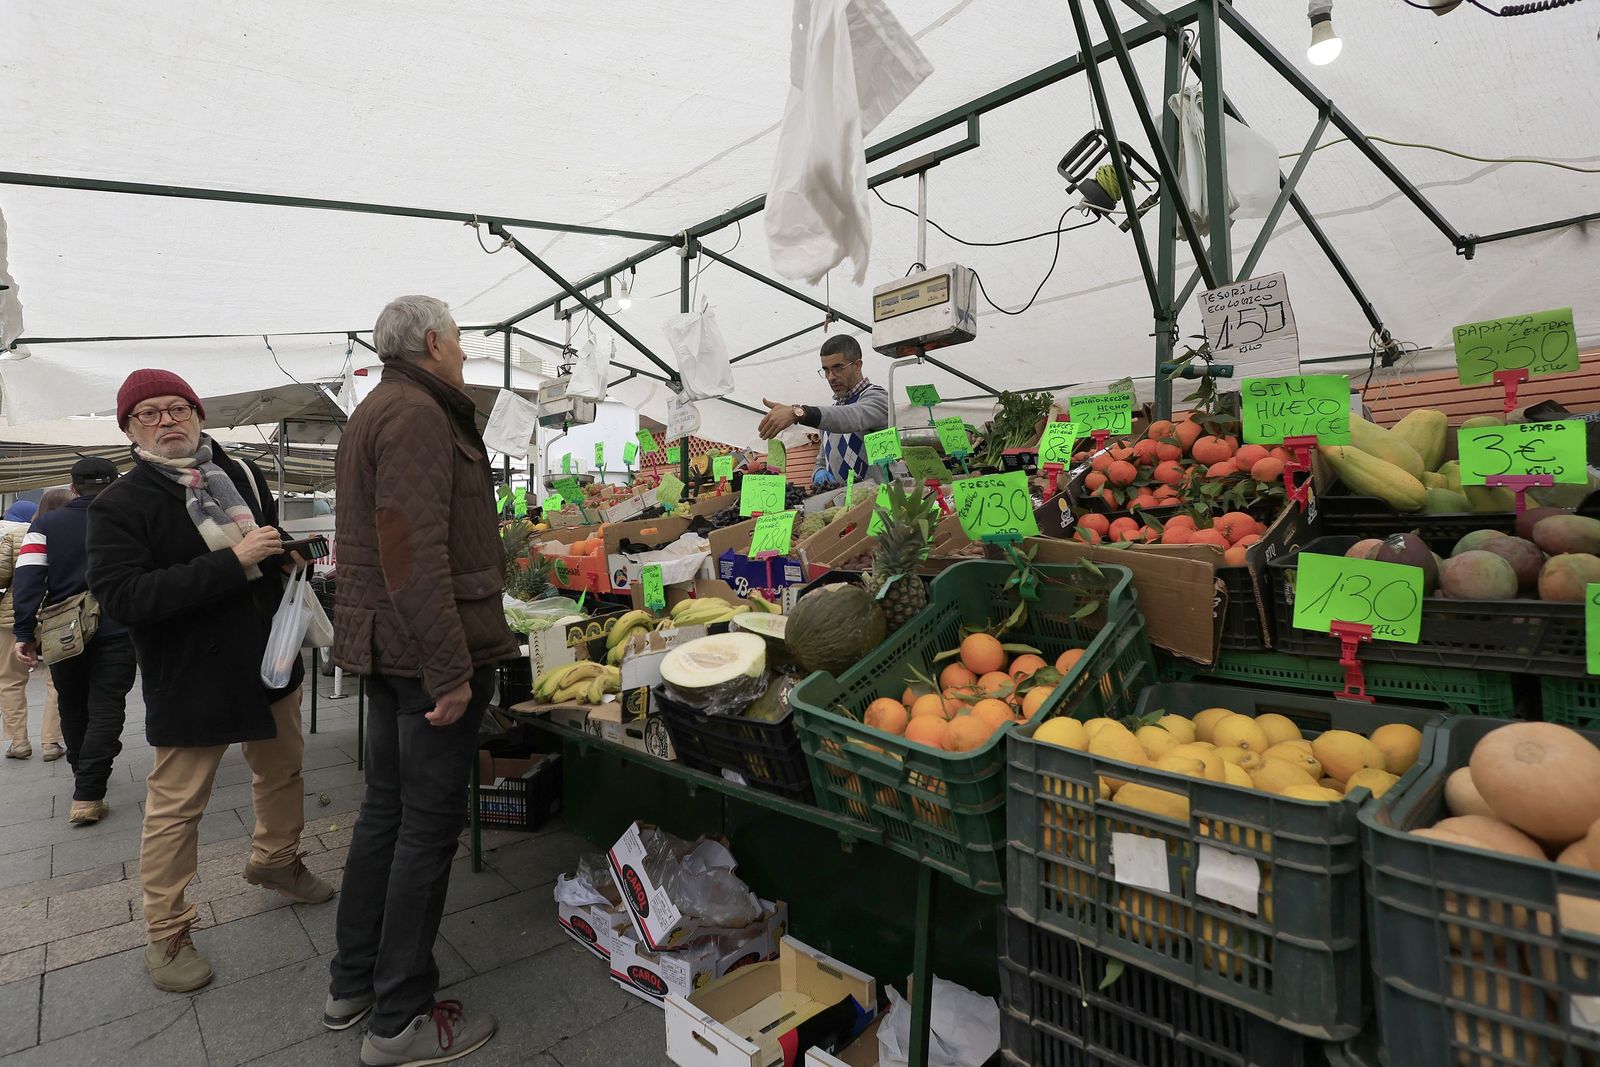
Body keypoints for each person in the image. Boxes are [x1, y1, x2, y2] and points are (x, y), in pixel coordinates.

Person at [87, 368, 334, 994]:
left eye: (177, 408)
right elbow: (124, 598)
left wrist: (286, 555)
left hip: (266, 662)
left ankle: (275, 860)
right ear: (129, 429)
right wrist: (232, 563)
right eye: (149, 414)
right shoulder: (120, 505)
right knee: (176, 806)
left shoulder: (241, 475)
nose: (167, 420)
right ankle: (167, 931)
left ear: (198, 414)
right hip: (190, 674)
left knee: (282, 768)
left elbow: (266, 542)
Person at [327, 295, 518, 1067]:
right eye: (462, 338)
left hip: (389, 645)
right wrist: (450, 671)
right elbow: (412, 550)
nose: (466, 351)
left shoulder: (386, 404)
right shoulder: (415, 414)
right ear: (434, 340)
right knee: (425, 829)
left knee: (387, 814)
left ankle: (352, 985)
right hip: (423, 652)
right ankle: (399, 1018)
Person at [11, 459, 135, 824]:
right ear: (115, 484)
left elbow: (28, 580)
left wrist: (24, 633)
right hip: (119, 627)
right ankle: (89, 791)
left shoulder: (45, 524)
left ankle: (84, 773)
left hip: (61, 631)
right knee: (107, 706)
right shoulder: (130, 520)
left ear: (73, 487)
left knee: (73, 704)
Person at [756, 335, 889, 486]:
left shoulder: (877, 398)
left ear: (858, 365)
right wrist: (819, 473)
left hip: (879, 505)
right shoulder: (830, 416)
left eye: (838, 368)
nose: (831, 377)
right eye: (826, 370)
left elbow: (852, 417)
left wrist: (799, 412)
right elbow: (821, 462)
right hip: (841, 507)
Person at [0, 500, 62, 761]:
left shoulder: (15, 535)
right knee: (56, 680)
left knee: (10, 680)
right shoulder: (71, 529)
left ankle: (19, 742)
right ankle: (51, 742)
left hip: (13, 616)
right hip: (58, 613)